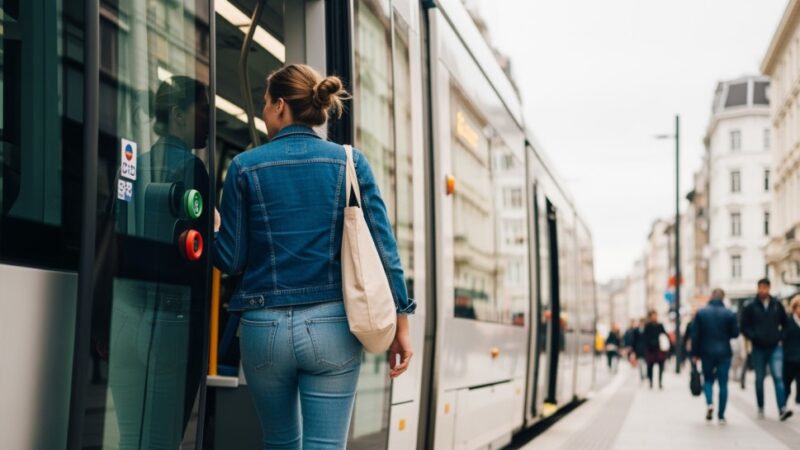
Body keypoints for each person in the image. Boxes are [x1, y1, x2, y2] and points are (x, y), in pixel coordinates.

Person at [213, 64, 415, 449]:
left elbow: (231, 259)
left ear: (280, 106)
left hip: (262, 329)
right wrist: (401, 324)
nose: (264, 112)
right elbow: (384, 247)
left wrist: (215, 228)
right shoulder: (350, 162)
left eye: (265, 103)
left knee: (280, 441)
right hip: (332, 328)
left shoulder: (243, 167)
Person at [740, 278, 792, 421]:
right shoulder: (751, 306)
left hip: (775, 347)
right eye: (760, 287)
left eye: (765, 287)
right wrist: (753, 336)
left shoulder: (776, 304)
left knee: (778, 377)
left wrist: (781, 337)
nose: (762, 290)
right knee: (759, 379)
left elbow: (786, 324)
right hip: (758, 348)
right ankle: (761, 406)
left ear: (769, 288)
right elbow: (743, 326)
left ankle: (782, 408)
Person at [691, 288, 739, 424]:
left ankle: (710, 403)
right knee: (723, 383)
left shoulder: (701, 313)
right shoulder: (729, 313)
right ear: (723, 298)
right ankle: (722, 415)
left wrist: (694, 354)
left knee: (708, 380)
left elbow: (695, 336)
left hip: (706, 352)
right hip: (724, 352)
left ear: (711, 296)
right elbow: (735, 333)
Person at [643, 310, 669, 389]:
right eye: (653, 315)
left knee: (661, 366)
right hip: (651, 349)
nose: (655, 317)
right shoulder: (648, 326)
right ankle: (651, 382)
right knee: (650, 367)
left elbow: (664, 335)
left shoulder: (660, 325)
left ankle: (660, 382)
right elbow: (645, 337)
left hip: (659, 349)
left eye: (656, 315)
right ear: (650, 317)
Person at [783, 295, 800, 405]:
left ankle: (798, 400)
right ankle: (783, 404)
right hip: (789, 358)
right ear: (794, 308)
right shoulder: (788, 321)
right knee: (787, 384)